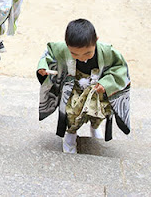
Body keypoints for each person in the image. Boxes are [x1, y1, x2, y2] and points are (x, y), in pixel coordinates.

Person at [37, 19, 130, 154]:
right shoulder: (62, 49)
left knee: (99, 111)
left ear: (96, 40)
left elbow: (119, 68)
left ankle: (95, 127)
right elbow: (49, 55)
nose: (81, 57)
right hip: (74, 87)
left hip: (97, 88)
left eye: (87, 53)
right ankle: (70, 135)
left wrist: (106, 83)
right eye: (74, 54)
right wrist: (44, 67)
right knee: (71, 112)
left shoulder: (108, 52)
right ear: (67, 45)